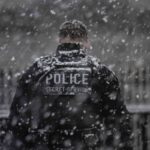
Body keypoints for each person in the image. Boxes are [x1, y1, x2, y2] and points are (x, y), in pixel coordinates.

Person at [6, 20, 133, 150]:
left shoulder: (38, 69)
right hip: (87, 143)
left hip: (45, 143)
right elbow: (119, 121)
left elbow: (18, 116)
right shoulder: (100, 71)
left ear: (59, 39)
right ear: (86, 42)